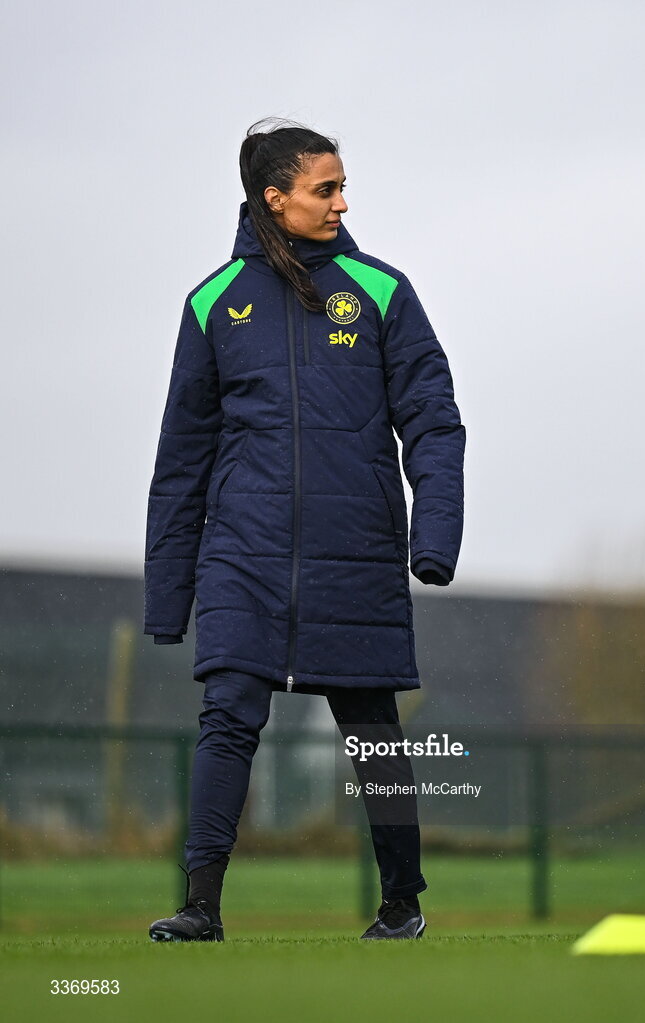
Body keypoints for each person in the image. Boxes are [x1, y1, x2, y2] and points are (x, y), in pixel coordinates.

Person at [144, 118, 465, 942]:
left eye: (341, 186)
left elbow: (432, 421)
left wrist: (434, 535)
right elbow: (182, 459)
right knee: (228, 715)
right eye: (325, 188)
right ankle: (200, 905)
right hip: (239, 557)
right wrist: (169, 595)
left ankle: (400, 903)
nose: (341, 201)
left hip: (353, 554)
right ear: (273, 197)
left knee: (373, 733)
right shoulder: (214, 303)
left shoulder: (382, 292)